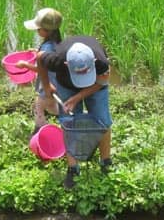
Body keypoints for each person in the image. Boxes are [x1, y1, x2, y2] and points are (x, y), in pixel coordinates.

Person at [37, 34, 112, 189]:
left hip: (96, 84)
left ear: (94, 62)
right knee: (68, 122)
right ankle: (73, 168)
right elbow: (39, 58)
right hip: (66, 85)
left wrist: (78, 97)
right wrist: (46, 85)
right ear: (66, 64)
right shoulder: (57, 59)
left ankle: (106, 162)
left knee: (103, 120)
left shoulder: (101, 62)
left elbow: (102, 81)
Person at [17, 8, 63, 134]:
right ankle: (68, 114)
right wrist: (37, 52)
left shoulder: (47, 47)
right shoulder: (56, 42)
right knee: (51, 106)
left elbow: (42, 69)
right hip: (57, 81)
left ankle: (39, 129)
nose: (37, 31)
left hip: (49, 82)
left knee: (39, 105)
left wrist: (25, 65)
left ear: (46, 31)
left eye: (38, 29)